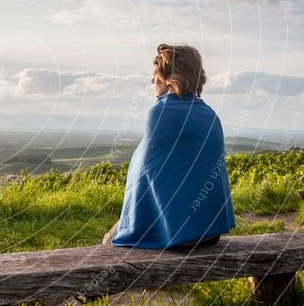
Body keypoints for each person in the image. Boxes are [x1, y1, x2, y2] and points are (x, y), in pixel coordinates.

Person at [101, 43, 235, 249]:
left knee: (108, 243)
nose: (153, 81)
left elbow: (144, 173)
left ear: (171, 80)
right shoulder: (210, 115)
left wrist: (130, 225)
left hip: (179, 236)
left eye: (155, 75)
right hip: (210, 231)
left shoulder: (160, 113)